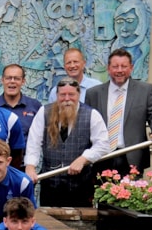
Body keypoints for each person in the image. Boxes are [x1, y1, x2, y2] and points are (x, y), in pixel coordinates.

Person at [25, 79, 110, 207]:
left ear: (79, 95)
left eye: (71, 94)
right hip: (51, 184)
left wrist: (83, 159)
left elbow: (103, 145)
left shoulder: (92, 114)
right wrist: (30, 166)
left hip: (80, 186)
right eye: (62, 95)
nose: (67, 99)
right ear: (57, 95)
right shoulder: (44, 112)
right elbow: (34, 143)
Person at [84, 49, 152, 174]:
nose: (119, 70)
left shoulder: (144, 90)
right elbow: (86, 123)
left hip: (132, 156)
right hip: (101, 157)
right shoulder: (93, 93)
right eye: (115, 66)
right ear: (108, 68)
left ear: (131, 68)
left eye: (124, 66)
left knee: (131, 193)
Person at [0, 64, 42, 145]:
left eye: (17, 78)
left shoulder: (35, 106)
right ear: (2, 80)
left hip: (26, 156)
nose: (12, 81)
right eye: (8, 78)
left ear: (23, 81)